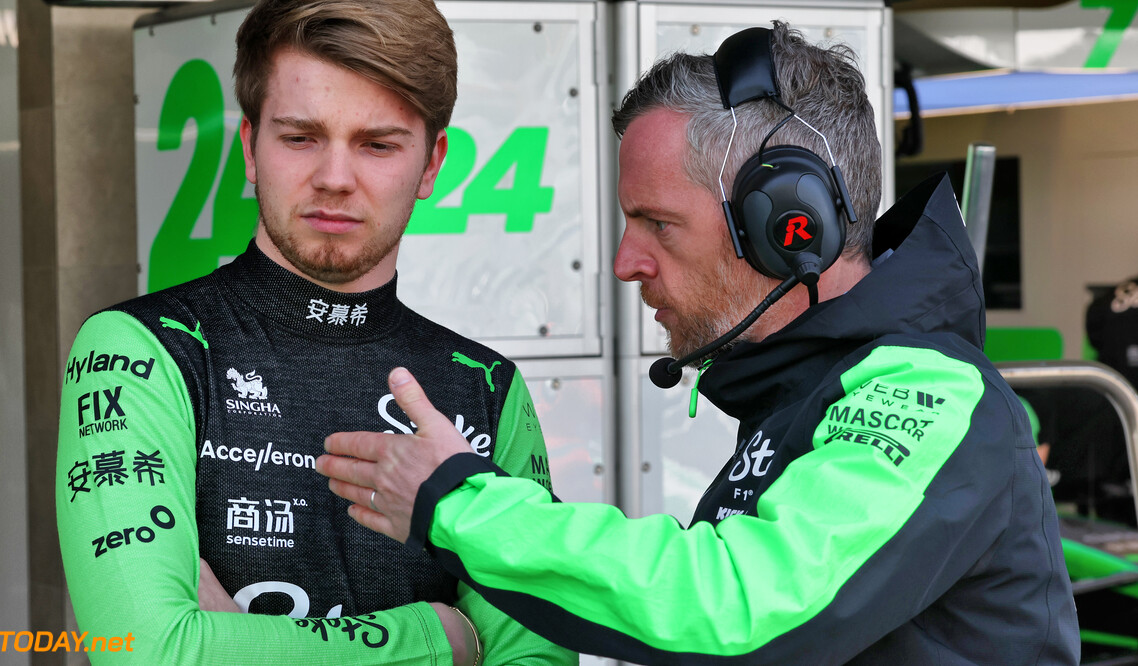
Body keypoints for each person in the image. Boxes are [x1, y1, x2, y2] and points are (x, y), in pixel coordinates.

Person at [317, 22, 1080, 664]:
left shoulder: (929, 392)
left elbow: (740, 606)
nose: (626, 262)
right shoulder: (807, 392)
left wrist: (459, 501)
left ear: (789, 225)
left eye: (656, 222)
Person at [54, 1, 574, 664]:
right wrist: (443, 639)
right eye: (300, 137)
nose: (334, 179)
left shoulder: (487, 387)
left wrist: (238, 645)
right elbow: (147, 652)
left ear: (431, 164)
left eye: (377, 144)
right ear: (249, 147)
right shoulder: (139, 350)